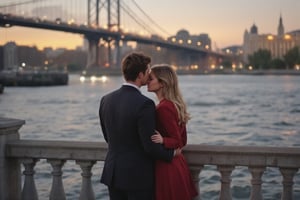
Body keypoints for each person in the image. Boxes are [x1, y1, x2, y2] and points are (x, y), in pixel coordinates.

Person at [99, 52, 178, 200]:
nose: (149, 76)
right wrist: (172, 154)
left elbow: (107, 137)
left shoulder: (106, 99)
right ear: (140, 75)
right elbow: (149, 145)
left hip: (113, 174)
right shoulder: (145, 104)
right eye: (148, 72)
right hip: (137, 177)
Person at [147, 64, 198, 200]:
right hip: (177, 163)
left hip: (167, 168)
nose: (147, 81)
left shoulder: (163, 108)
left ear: (162, 83)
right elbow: (184, 140)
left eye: (151, 78)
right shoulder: (172, 105)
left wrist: (163, 140)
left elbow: (179, 141)